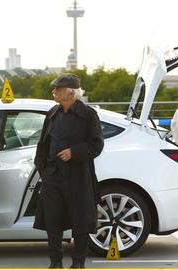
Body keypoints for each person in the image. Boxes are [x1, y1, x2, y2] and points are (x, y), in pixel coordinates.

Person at [33, 73, 104, 268]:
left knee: (80, 223)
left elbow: (96, 145)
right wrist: (43, 168)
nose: (53, 91)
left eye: (58, 89)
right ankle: (55, 263)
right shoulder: (53, 113)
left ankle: (78, 264)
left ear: (70, 93)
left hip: (78, 177)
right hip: (53, 176)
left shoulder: (89, 115)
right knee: (52, 222)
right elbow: (43, 144)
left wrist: (74, 152)